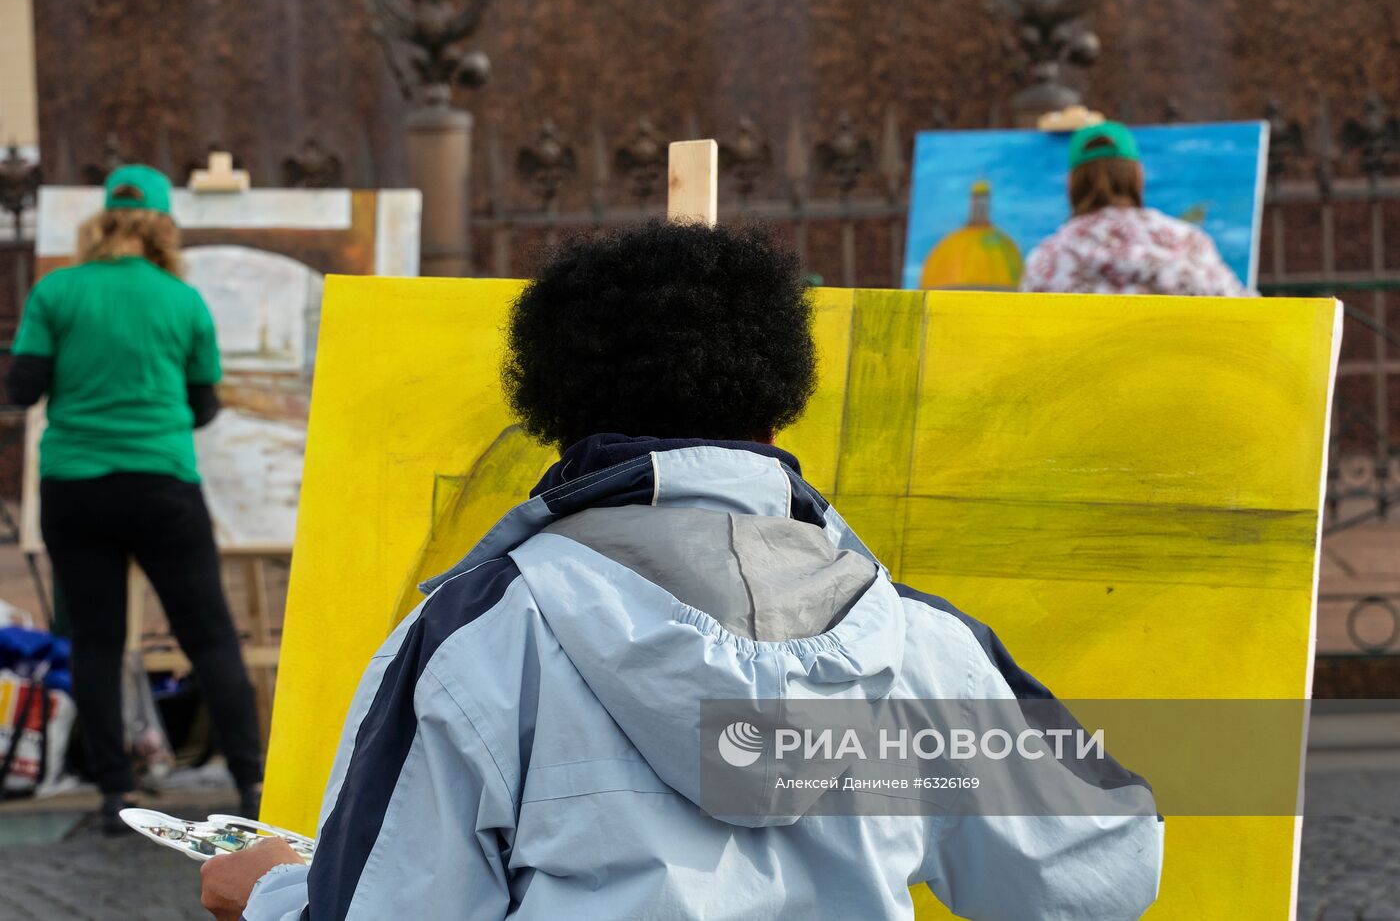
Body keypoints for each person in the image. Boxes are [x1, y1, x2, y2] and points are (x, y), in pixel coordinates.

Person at [205, 222, 1164, 921]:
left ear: (557, 412)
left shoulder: (484, 629)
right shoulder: (921, 641)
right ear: (779, 409)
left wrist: (269, 896)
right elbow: (1094, 875)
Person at [7, 165, 263, 832]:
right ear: (161, 225)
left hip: (75, 488)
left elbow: (23, 388)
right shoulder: (182, 301)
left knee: (93, 639)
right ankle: (251, 781)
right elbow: (204, 406)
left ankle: (116, 792)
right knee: (209, 637)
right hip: (161, 485)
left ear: (101, 221)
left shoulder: (56, 290)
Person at [1021, 120, 1250, 296]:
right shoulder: (1188, 243)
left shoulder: (1049, 259)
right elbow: (1243, 312)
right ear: (1138, 175)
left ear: (1071, 182)